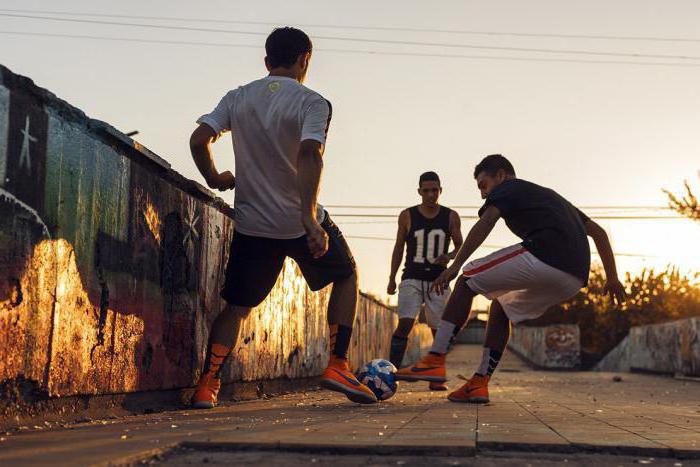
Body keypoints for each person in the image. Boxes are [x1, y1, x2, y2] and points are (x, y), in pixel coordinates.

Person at [189, 27, 377, 408]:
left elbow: (198, 140)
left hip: (253, 226)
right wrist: (309, 220)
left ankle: (207, 385)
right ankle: (338, 364)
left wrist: (215, 177)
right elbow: (310, 154)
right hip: (297, 222)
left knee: (237, 308)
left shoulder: (237, 97)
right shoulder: (313, 102)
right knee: (346, 275)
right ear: (305, 59)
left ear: (266, 62)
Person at [396, 154, 626, 403]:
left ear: (501, 175)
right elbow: (600, 233)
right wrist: (612, 278)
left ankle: (435, 358)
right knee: (501, 308)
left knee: (466, 279)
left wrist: (455, 264)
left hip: (546, 254)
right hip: (574, 278)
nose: (483, 195)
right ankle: (479, 383)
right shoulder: (550, 198)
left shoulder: (509, 187)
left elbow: (486, 223)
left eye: (484, 186)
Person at [387, 172, 462, 391]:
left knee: (440, 331)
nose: (430, 194)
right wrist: (391, 278)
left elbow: (461, 246)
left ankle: (435, 377)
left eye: (435, 190)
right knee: (405, 323)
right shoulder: (407, 215)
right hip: (411, 276)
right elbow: (399, 247)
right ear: (419, 191)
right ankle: (391, 373)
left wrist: (448, 257)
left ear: (441, 190)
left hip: (438, 280)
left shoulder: (450, 216)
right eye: (426, 190)